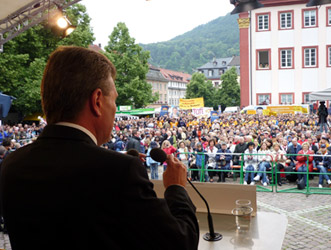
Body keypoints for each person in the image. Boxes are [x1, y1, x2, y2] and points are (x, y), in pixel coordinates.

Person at [0, 46, 199, 250]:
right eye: (114, 100)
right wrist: (176, 188)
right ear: (96, 101)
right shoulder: (120, 171)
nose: (114, 109)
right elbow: (181, 242)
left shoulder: (12, 164)